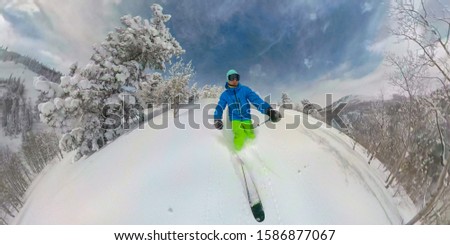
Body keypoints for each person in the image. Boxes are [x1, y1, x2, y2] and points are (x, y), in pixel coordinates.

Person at [214, 69, 282, 151]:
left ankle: (253, 151)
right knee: (240, 134)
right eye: (232, 77)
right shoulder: (225, 95)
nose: (235, 80)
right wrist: (217, 118)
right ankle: (237, 152)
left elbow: (256, 100)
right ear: (228, 79)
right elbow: (220, 106)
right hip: (235, 118)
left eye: (237, 77)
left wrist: (268, 110)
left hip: (246, 117)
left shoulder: (244, 90)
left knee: (250, 135)